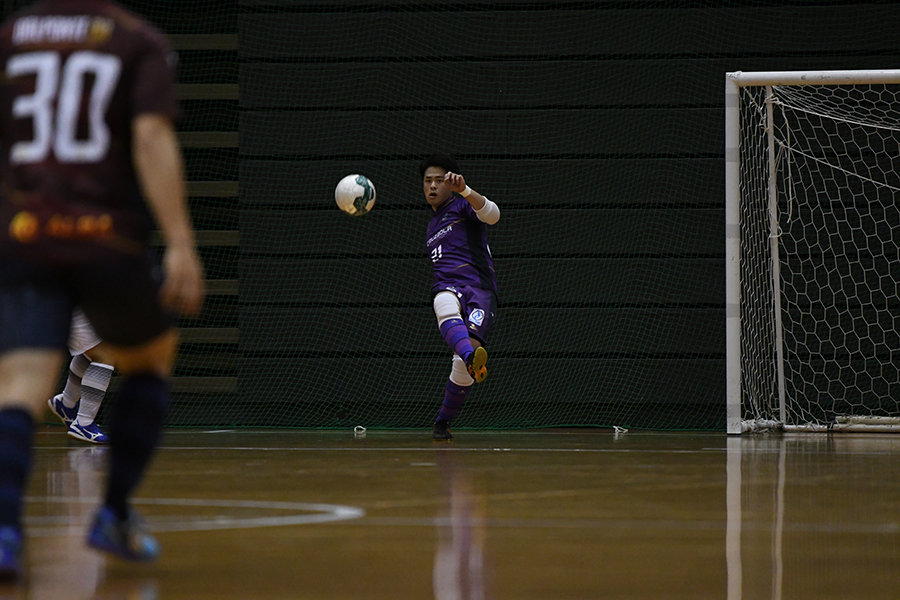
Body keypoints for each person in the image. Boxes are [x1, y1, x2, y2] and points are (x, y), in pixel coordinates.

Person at [0, 0, 204, 579]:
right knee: (150, 357)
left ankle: (5, 533)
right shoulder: (136, 39)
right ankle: (112, 513)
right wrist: (180, 242)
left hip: (27, 234)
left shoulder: (12, 37)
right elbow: (150, 138)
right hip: (104, 236)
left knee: (19, 384)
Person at [421, 155, 500, 441]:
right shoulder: (431, 226)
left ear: (450, 183)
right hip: (448, 285)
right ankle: (470, 358)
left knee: (463, 366)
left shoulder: (463, 205)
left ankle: (442, 422)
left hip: (480, 289)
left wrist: (464, 190)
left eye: (438, 180)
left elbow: (493, 215)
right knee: (442, 302)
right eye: (427, 181)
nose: (432, 186)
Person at [47, 309, 115, 444]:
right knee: (105, 355)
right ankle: (83, 424)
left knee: (95, 350)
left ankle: (65, 403)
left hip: (83, 306)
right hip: (72, 306)